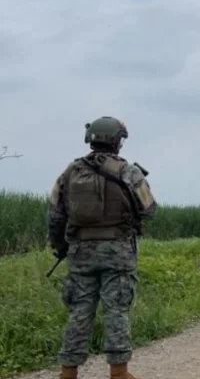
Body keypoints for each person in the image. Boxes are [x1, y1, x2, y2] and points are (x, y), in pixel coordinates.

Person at [48, 117, 158, 379]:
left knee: (79, 311)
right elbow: (149, 210)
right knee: (116, 310)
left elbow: (54, 215)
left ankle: (68, 372)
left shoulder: (70, 172)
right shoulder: (128, 172)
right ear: (118, 141)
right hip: (118, 253)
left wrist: (60, 246)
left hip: (80, 253)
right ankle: (119, 372)